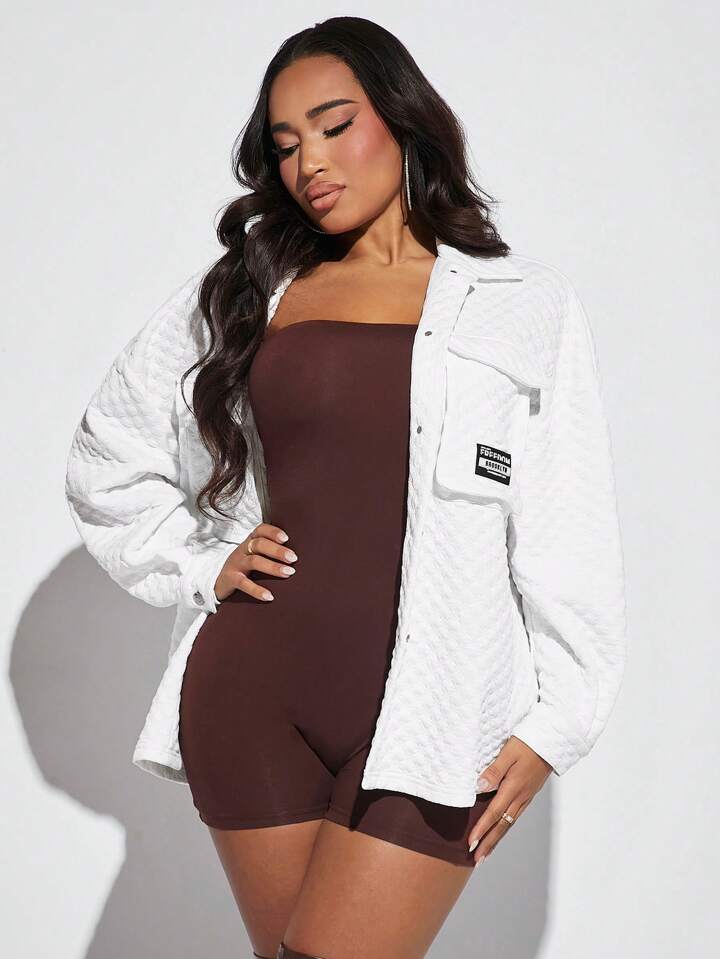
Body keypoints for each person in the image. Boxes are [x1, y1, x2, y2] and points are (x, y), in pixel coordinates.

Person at [64, 15, 627, 959]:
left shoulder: (522, 306)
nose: (309, 163)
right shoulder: (253, 291)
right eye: (285, 145)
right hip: (255, 696)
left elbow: (567, 524)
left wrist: (559, 722)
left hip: (440, 709)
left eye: (334, 126)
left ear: (402, 120)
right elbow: (106, 455)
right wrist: (200, 564)